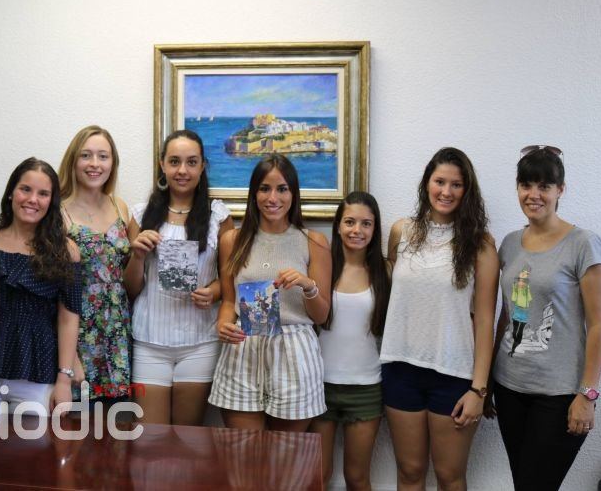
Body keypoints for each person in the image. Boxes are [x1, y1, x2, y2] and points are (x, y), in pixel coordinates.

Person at [488, 146, 601, 491]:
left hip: (560, 395)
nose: (534, 194)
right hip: (509, 388)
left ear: (561, 190)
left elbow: (598, 325)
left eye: (544, 186)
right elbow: (505, 317)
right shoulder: (510, 244)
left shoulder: (584, 244)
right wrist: (488, 382)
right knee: (524, 483)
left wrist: (587, 395)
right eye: (526, 185)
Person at [379, 147, 498, 491]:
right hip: (400, 369)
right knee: (410, 472)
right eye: (440, 182)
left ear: (467, 190)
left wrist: (479, 389)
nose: (446, 191)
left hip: (454, 375)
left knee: (449, 476)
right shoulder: (402, 231)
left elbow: (484, 321)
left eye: (456, 185)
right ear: (427, 183)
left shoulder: (480, 244)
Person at [208, 154, 331, 431]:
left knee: (285, 453)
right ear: (254, 194)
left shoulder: (314, 241)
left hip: (294, 351)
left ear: (293, 194)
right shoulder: (232, 240)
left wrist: (308, 285)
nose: (272, 198)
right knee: (242, 451)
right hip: (244, 349)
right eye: (264, 188)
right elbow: (228, 300)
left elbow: (321, 316)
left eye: (282, 189)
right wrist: (223, 325)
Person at [125, 130, 233, 425]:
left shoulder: (218, 215)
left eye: (191, 162)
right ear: (162, 164)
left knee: (187, 437)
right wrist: (137, 255)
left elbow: (229, 282)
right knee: (150, 437)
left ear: (202, 166)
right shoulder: (140, 215)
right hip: (149, 341)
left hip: (199, 341)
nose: (182, 170)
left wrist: (212, 292)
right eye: (174, 162)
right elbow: (131, 289)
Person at [0, 158, 81, 414]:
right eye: (25, 189)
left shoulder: (66, 251)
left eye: (43, 194)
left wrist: (64, 379)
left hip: (39, 375)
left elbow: (68, 318)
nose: (33, 199)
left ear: (51, 201)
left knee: (36, 440)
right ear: (11, 192)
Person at [310, 191, 391, 490]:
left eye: (366, 223)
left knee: (357, 478)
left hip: (366, 388)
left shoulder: (385, 270)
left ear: (375, 228)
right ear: (338, 225)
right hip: (319, 385)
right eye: (350, 222)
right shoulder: (321, 266)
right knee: (318, 476)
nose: (357, 230)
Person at [57, 126, 131, 408]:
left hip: (118, 337)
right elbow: (52, 290)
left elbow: (130, 274)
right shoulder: (58, 212)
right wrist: (70, 360)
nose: (95, 164)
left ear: (113, 163)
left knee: (117, 425)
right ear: (73, 160)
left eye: (103, 156)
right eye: (86, 155)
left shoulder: (120, 207)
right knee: (78, 425)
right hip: (79, 337)